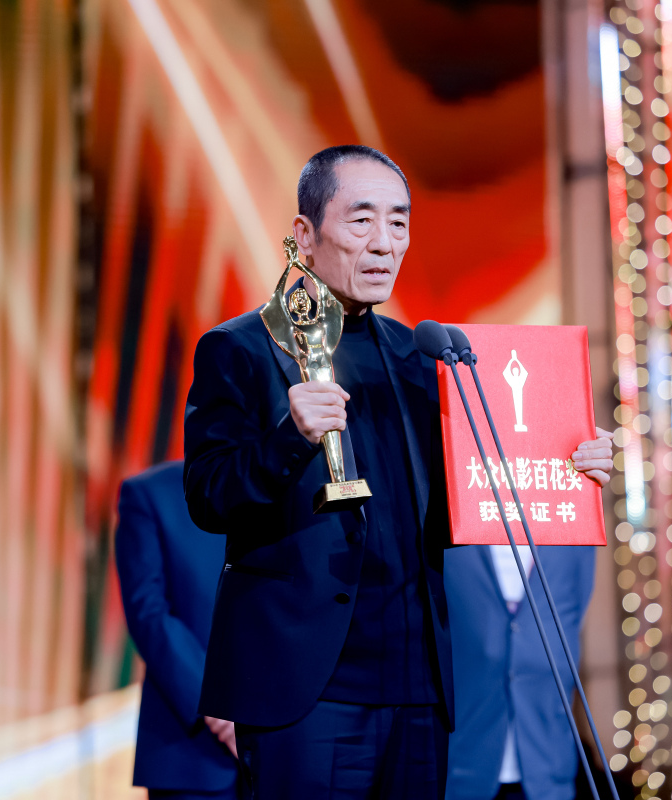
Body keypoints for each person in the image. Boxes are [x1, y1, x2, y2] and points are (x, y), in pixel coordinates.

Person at [183, 144, 614, 799]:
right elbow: (208, 497)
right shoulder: (240, 349)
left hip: (418, 689)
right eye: (362, 221)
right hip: (308, 691)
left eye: (399, 222)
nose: (384, 243)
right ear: (305, 234)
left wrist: (566, 467)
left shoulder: (421, 359)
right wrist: (289, 439)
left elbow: (463, 506)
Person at [115, 460, 240, 800]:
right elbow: (148, 612)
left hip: (292, 749)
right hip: (192, 753)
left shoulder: (300, 487)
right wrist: (219, 707)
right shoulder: (150, 493)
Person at [445, 543, 596, 800]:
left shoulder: (572, 529)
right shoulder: (450, 527)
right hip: (464, 765)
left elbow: (574, 609)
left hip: (548, 766)